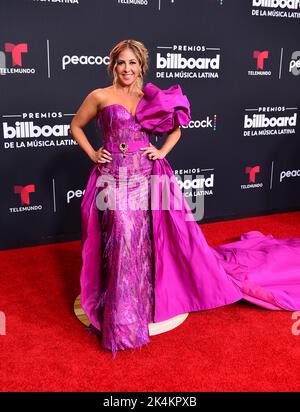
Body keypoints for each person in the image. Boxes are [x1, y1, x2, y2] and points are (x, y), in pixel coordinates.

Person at [71, 39, 300, 357]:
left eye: (133, 63)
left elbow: (177, 128)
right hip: (113, 177)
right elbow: (75, 126)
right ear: (112, 65)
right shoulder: (99, 96)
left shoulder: (150, 98)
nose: (127, 68)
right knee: (121, 235)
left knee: (142, 239)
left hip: (147, 176)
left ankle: (146, 295)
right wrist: (94, 152)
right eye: (121, 62)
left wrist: (161, 150)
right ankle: (122, 318)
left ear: (141, 66)